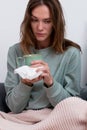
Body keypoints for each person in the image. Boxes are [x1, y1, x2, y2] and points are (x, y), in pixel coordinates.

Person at [0, 0, 85, 130]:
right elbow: (14, 107)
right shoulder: (15, 51)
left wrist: (50, 83)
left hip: (57, 118)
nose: (40, 27)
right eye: (35, 20)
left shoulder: (71, 53)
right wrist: (26, 83)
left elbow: (72, 106)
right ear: (28, 21)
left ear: (56, 23)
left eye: (47, 21)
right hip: (22, 119)